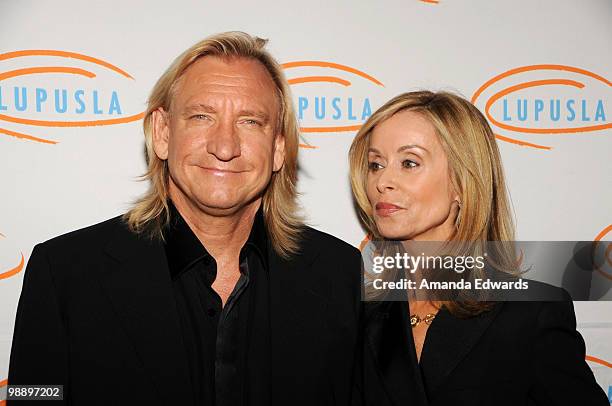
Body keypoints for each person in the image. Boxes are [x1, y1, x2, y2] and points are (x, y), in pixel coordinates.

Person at [9, 32, 362, 406]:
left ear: (278, 149)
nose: (224, 147)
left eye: (250, 122)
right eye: (201, 116)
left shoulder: (344, 275)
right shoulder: (64, 274)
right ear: (162, 133)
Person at [348, 91, 608, 405]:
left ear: (461, 181)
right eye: (376, 164)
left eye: (409, 162)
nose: (383, 181)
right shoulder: (357, 313)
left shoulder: (529, 313)